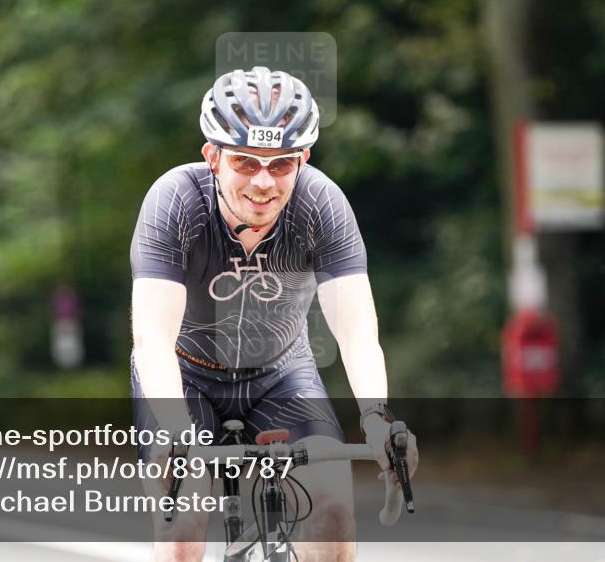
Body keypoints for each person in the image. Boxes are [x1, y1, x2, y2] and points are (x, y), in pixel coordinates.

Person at [130, 66, 418, 561]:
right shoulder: (175, 200)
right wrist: (176, 431)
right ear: (213, 158)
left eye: (281, 164)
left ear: (303, 160)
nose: (263, 182)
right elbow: (153, 340)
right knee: (182, 525)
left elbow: (356, 334)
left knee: (332, 512)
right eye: (245, 161)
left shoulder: (321, 203)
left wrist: (376, 416)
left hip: (281, 374)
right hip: (185, 378)